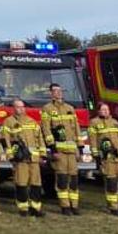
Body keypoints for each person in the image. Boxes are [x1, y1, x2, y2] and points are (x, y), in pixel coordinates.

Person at [40, 84, 83, 216]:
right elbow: (46, 129)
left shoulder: (70, 108)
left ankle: (74, 206)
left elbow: (76, 128)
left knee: (74, 179)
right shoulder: (47, 109)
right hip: (59, 151)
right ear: (51, 93)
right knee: (62, 179)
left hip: (72, 150)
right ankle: (65, 206)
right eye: (55, 91)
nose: (58, 93)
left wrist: (80, 147)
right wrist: (52, 148)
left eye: (60, 91)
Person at [1, 100, 45, 217]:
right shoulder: (8, 122)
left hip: (34, 158)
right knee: (21, 183)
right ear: (13, 108)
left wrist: (43, 154)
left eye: (22, 107)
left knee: (36, 184)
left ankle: (36, 208)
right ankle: (23, 208)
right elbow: (6, 140)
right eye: (17, 107)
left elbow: (39, 138)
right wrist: (11, 156)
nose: (20, 109)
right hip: (20, 159)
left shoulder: (32, 121)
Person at [86, 103, 118, 216]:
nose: (105, 111)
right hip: (107, 158)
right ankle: (113, 207)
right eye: (103, 109)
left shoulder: (116, 123)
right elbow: (93, 140)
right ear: (98, 111)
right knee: (111, 183)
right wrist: (96, 155)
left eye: (107, 109)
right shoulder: (94, 123)